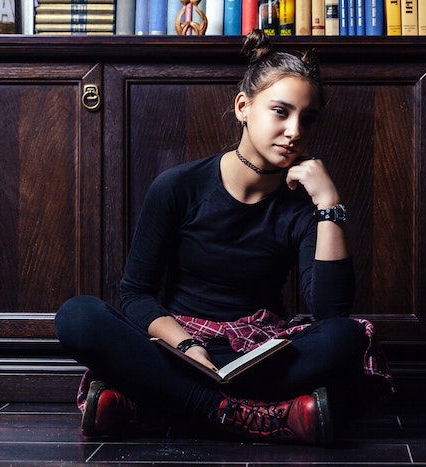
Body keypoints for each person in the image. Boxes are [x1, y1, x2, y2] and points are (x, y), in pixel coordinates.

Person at [55, 29, 393, 445]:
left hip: (256, 352)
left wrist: (328, 202)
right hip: (178, 344)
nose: (295, 131)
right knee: (78, 315)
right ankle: (239, 414)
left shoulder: (307, 206)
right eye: (281, 112)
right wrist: (187, 346)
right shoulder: (178, 185)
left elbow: (330, 311)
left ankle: (149, 406)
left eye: (308, 118)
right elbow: (137, 294)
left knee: (348, 335)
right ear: (243, 107)